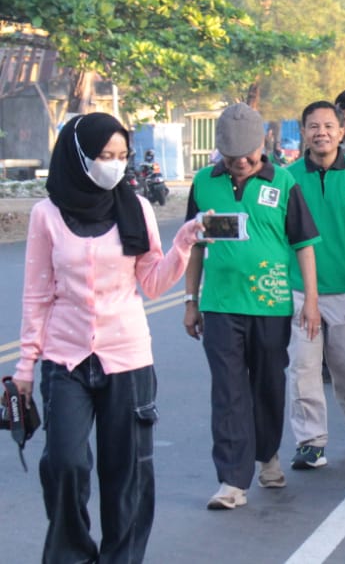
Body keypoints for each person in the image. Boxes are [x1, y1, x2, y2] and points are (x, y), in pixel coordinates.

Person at [15, 113, 204, 562]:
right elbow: (37, 293)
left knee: (127, 474)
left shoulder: (134, 207)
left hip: (127, 358)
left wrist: (182, 244)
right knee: (65, 463)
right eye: (105, 156)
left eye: (122, 156)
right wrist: (25, 366)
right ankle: (73, 554)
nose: (115, 166)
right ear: (80, 157)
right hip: (66, 359)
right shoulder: (47, 215)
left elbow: (153, 283)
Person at [184, 103, 322, 510]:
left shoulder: (283, 182)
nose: (240, 162)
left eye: (248, 154)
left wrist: (310, 301)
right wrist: (191, 301)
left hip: (272, 304)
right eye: (231, 157)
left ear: (263, 145)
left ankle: (268, 455)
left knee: (267, 386)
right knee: (228, 392)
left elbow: (304, 245)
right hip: (221, 305)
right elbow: (193, 247)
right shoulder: (204, 184)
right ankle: (231, 480)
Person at [285, 101, 345, 471]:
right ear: (304, 132)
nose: (321, 132)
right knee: (303, 368)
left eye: (328, 126)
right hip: (299, 290)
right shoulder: (286, 177)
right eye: (313, 126)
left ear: (342, 131)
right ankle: (311, 441)